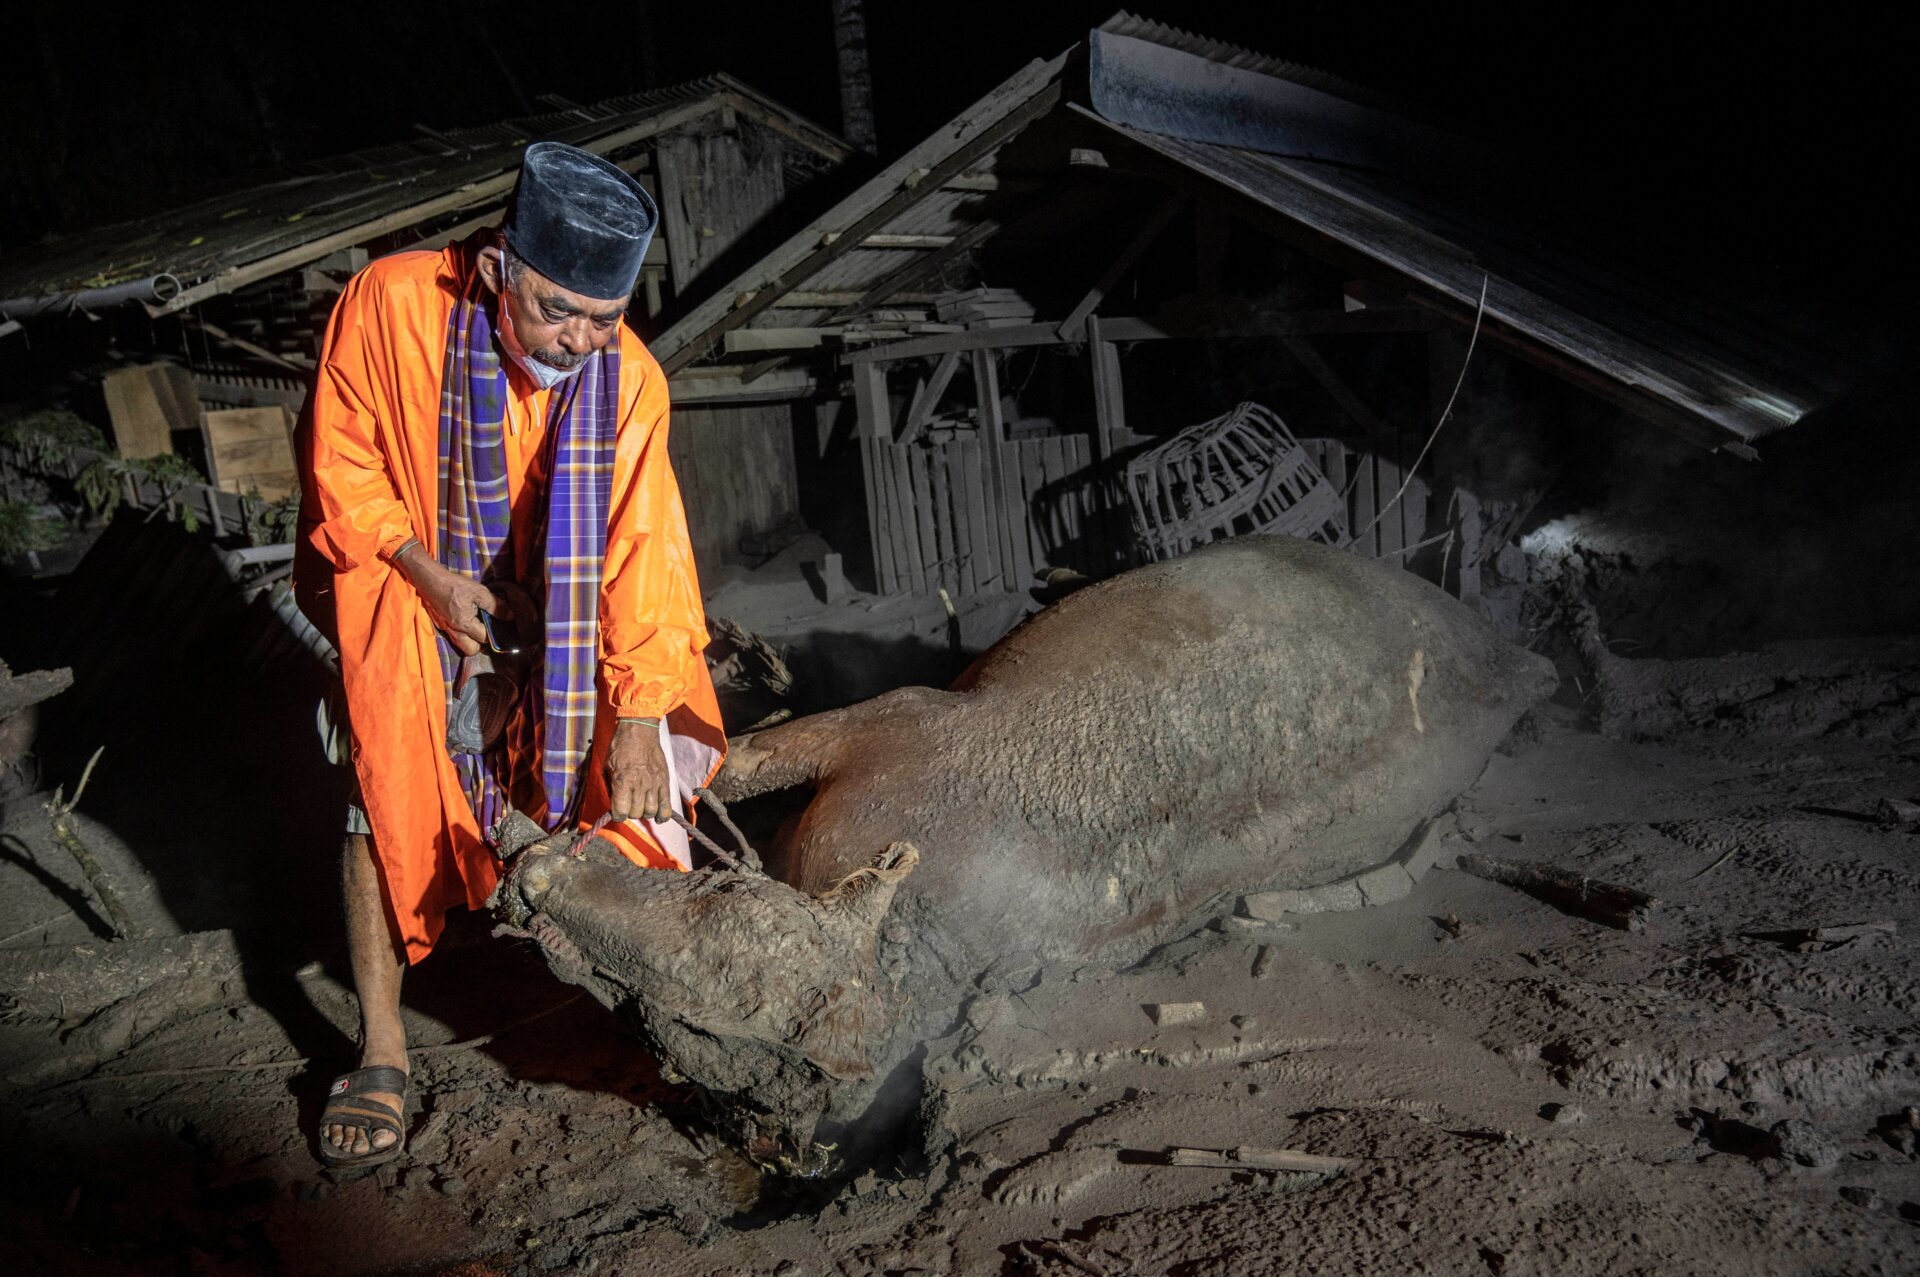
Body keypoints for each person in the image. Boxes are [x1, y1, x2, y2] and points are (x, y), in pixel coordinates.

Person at [295, 142, 726, 1169]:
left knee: (654, 776)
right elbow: (343, 462)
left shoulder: (631, 380)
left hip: (565, 620)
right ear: (496, 270)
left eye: (602, 318)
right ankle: (384, 1045)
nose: (578, 339)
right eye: (554, 310)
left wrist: (641, 712)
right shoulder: (392, 304)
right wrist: (428, 573)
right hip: (419, 585)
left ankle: (656, 1009)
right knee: (380, 774)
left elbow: (643, 551)